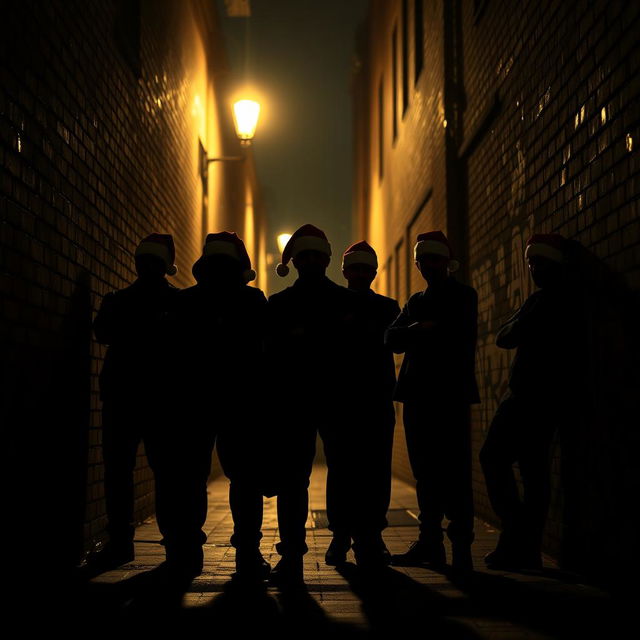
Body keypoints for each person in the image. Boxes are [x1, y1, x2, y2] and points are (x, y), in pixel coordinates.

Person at [160, 232, 269, 581]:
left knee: (191, 478)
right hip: (241, 403)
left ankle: (188, 551)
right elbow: (266, 354)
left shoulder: (185, 301)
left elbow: (171, 357)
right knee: (245, 480)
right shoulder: (253, 301)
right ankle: (247, 554)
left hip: (194, 402)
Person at [266, 224, 365, 584]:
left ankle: (298, 553)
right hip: (326, 398)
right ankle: (324, 544)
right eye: (304, 255)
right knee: (319, 475)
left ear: (324, 258)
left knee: (309, 477)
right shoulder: (345, 303)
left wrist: (299, 338)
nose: (309, 261)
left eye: (314, 255)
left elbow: (275, 354)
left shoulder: (279, 305)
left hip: (303, 399)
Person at [480, 233, 581, 570]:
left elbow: (505, 337)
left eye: (540, 262)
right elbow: (505, 334)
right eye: (531, 262)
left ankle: (517, 535)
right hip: (549, 401)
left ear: (556, 263)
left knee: (494, 457)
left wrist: (519, 321)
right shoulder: (553, 300)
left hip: (528, 399)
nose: (534, 268)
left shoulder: (545, 301)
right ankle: (527, 549)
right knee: (534, 475)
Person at [386, 231, 479, 572]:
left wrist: (418, 331)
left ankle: (460, 546)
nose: (428, 266)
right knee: (426, 473)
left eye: (433, 259)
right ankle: (433, 544)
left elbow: (455, 335)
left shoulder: (464, 297)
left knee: (453, 473)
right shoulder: (417, 302)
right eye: (423, 260)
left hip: (447, 397)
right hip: (421, 397)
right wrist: (423, 328)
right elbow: (391, 338)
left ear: (447, 262)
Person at [88, 233, 180, 573]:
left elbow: (103, 333)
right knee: (167, 472)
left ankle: (122, 543)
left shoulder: (117, 301)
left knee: (120, 472)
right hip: (161, 401)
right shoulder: (177, 304)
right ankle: (172, 544)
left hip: (123, 398)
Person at [323, 241, 400, 567]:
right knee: (346, 470)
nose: (360, 273)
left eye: (365, 268)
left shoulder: (384, 307)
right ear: (345, 270)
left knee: (369, 470)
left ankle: (364, 536)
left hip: (369, 400)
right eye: (355, 268)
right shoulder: (383, 308)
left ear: (373, 271)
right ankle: (348, 536)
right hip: (348, 401)